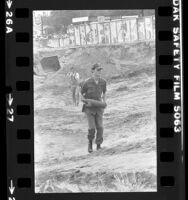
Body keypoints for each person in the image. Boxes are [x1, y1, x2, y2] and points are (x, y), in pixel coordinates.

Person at [81, 63, 107, 153]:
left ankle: (99, 145)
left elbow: (104, 93)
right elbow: (81, 94)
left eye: (100, 70)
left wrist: (104, 102)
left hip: (99, 107)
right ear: (93, 71)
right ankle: (90, 144)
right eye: (98, 70)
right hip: (89, 108)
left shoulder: (103, 82)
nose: (99, 72)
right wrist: (85, 102)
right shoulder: (87, 82)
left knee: (100, 127)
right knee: (92, 128)